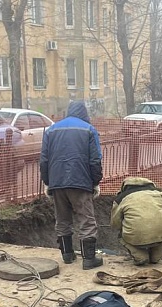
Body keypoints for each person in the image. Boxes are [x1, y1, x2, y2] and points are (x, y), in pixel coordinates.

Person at [39, 100, 104, 270]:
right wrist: (95, 182)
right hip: (81, 181)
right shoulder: (89, 129)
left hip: (57, 182)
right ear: (84, 113)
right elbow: (95, 159)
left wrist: (48, 182)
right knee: (86, 220)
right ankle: (89, 259)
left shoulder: (52, 130)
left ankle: (67, 255)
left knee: (62, 219)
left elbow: (44, 159)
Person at [110, 177, 162, 266]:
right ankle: (156, 255)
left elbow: (115, 223)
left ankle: (140, 256)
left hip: (135, 236)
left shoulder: (121, 198)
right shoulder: (161, 192)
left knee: (121, 235)